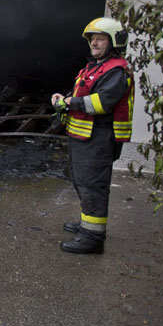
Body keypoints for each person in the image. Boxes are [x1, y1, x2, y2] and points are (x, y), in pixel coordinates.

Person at [51, 17, 134, 254]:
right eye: (92, 39)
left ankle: (93, 238)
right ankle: (87, 223)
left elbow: (101, 102)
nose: (95, 43)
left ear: (114, 42)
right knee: (81, 181)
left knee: (93, 185)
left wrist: (69, 102)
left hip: (98, 138)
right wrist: (63, 98)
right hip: (83, 137)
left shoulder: (116, 70)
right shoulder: (93, 67)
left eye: (101, 39)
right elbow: (82, 92)